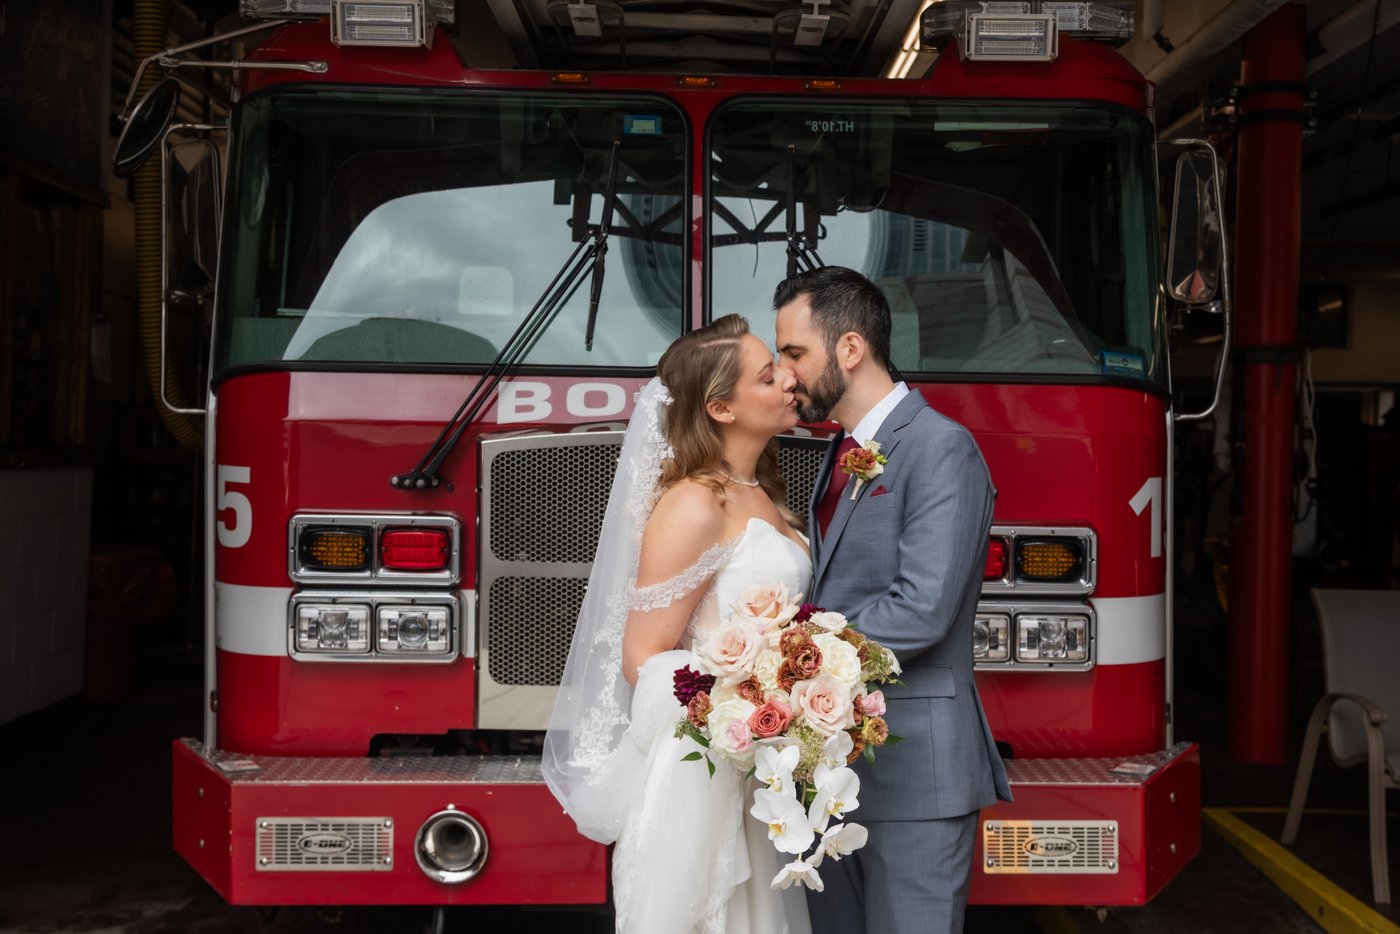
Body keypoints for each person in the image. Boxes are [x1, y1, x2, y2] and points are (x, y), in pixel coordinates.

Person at [543, 314, 813, 934]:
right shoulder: (694, 503)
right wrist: (748, 701)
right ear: (720, 407)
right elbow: (642, 656)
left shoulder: (760, 490)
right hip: (702, 770)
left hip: (752, 767)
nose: (789, 382)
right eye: (769, 376)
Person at [773, 267, 1012, 934]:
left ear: (850, 349)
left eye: (795, 353)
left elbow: (922, 607)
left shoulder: (941, 448)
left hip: (915, 772)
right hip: (834, 774)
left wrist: (792, 661)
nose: (787, 374)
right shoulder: (843, 453)